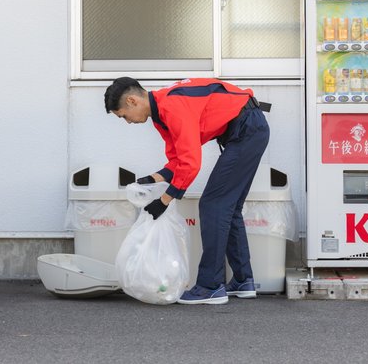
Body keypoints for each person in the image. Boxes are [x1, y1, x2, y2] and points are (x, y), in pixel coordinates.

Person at [104, 76, 270, 305]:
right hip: (247, 129)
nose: (127, 122)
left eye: (123, 116)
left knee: (213, 205)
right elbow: (177, 161)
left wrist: (163, 200)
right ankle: (243, 281)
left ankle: (210, 286)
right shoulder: (161, 115)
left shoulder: (171, 107)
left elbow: (191, 164)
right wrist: (152, 178)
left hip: (246, 129)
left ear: (132, 101)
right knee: (228, 208)